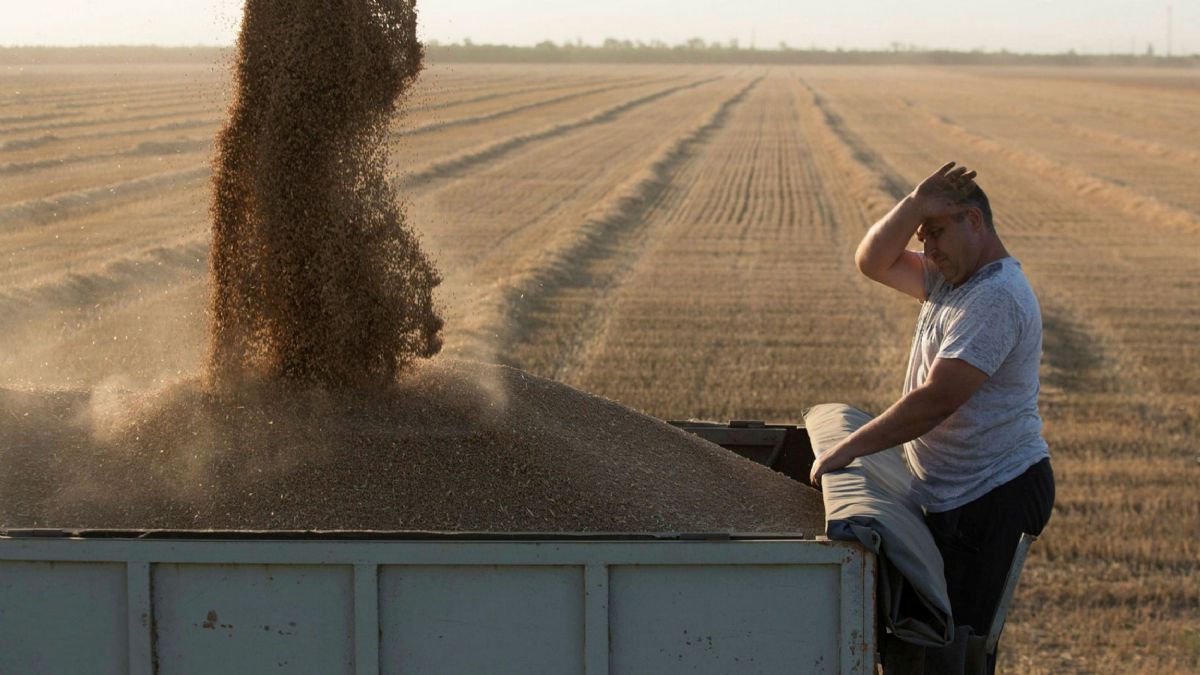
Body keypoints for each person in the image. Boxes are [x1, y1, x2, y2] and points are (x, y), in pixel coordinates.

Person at [809, 162, 1055, 674]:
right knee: (934, 638)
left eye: (937, 233)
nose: (930, 248)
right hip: (956, 492)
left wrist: (851, 448)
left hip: (991, 493)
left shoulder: (994, 297)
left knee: (955, 648)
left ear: (975, 221)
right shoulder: (950, 278)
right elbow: (872, 261)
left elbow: (936, 399)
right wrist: (917, 204)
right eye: (924, 236)